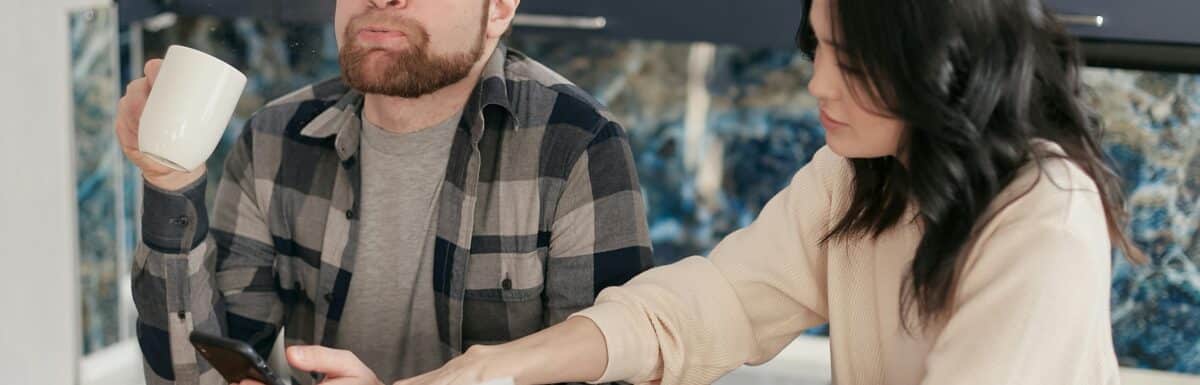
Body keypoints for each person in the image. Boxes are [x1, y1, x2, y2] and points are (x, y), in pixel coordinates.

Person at [385, 0, 1146, 384]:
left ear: (940, 61)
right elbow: (710, 304)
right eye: (818, 47)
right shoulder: (860, 177)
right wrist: (496, 364)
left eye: (848, 61)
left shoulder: (1044, 216)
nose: (817, 82)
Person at [117, 0, 654, 384]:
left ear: (499, 10)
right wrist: (171, 184)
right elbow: (198, 372)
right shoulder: (276, 139)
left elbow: (613, 370)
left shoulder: (577, 144)